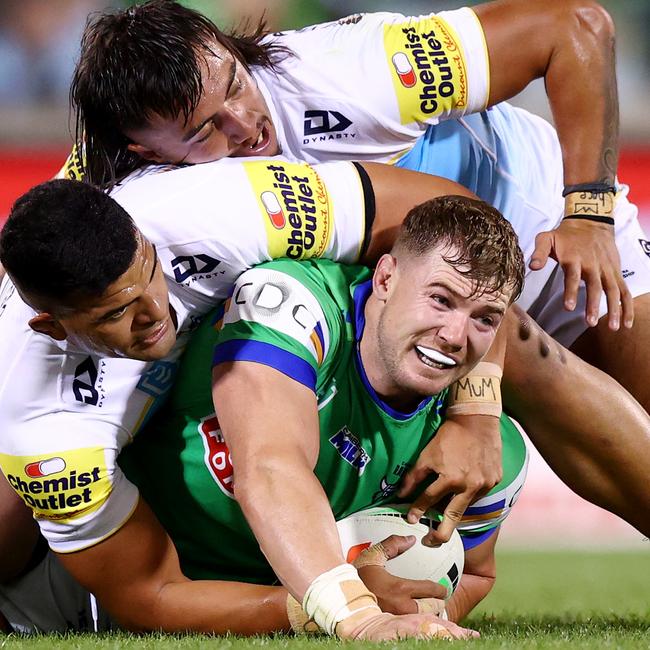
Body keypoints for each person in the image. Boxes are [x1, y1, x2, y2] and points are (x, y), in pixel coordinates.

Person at [67, 0, 650, 421]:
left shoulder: (358, 73)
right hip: (419, 311)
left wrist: (588, 214)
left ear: (228, 52)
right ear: (144, 150)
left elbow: (575, 24)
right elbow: (26, 266)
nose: (247, 127)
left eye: (237, 86)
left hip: (549, 239)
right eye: (203, 131)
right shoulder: (108, 179)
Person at [117, 195, 529, 632]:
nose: (454, 335)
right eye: (441, 300)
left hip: (276, 602)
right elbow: (271, 466)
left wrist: (418, 614)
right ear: (386, 277)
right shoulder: (291, 306)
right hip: (108, 575)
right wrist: (358, 615)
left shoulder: (488, 456)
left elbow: (476, 574)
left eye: (484, 319)